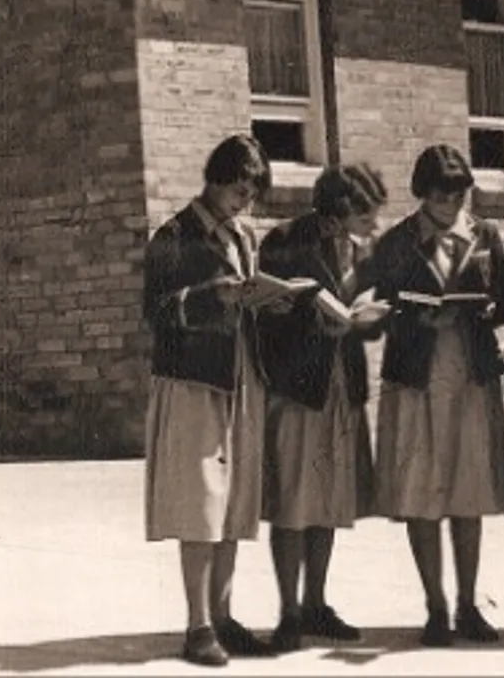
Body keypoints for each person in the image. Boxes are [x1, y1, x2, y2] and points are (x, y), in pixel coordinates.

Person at [142, 135, 278, 666]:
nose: (244, 200)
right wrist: (207, 297)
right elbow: (154, 310)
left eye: (251, 192)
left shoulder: (244, 236)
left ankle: (223, 614)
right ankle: (197, 624)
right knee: (200, 501)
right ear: (216, 179)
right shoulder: (174, 235)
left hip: (242, 375)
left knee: (235, 502)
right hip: (195, 380)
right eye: (238, 189)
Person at [369, 144, 504, 647]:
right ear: (422, 194)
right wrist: (413, 317)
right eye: (440, 194)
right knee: (421, 493)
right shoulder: (397, 242)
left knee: (468, 491)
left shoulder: (487, 235)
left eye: (458, 193)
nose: (451, 203)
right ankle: (435, 606)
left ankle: (469, 604)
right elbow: (376, 307)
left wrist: (484, 309)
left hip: (470, 377)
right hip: (416, 379)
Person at [256, 163, 391, 653]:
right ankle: (288, 612)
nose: (374, 226)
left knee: (330, 499)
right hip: (298, 387)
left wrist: (370, 320)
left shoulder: (363, 252)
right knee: (293, 499)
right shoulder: (284, 241)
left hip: (342, 386)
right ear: (339, 213)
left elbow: (366, 318)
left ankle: (316, 603)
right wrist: (317, 324)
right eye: (366, 216)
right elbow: (265, 317)